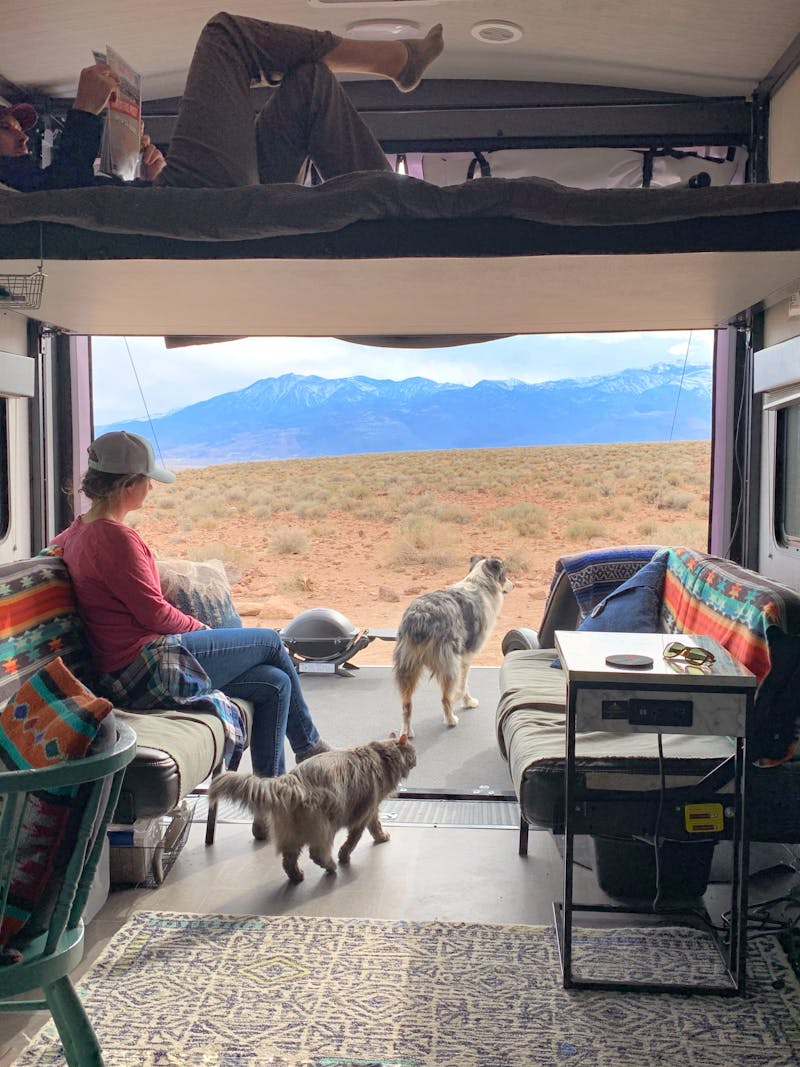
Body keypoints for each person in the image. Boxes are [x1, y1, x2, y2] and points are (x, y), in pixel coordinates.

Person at [51, 429, 330, 840]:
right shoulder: (115, 538)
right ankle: (311, 750)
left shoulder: (76, 532)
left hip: (128, 667)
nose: (150, 488)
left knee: (273, 684)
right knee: (270, 641)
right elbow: (156, 613)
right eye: (147, 480)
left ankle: (271, 808)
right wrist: (204, 631)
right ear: (128, 485)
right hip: (147, 666)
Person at [0, 11, 444, 192]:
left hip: (169, 203)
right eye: (7, 127)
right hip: (186, 212)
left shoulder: (17, 181)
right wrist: (82, 112)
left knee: (310, 82)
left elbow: (74, 196)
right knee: (225, 35)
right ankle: (393, 59)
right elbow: (59, 197)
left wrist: (149, 176)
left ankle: (391, 203)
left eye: (20, 126)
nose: (22, 133)